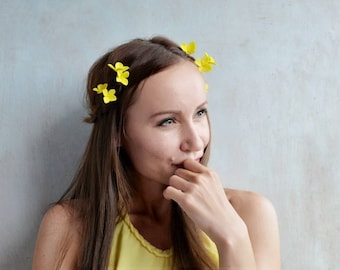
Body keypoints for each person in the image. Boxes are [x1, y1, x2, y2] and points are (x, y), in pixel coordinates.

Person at [32, 36, 281, 270]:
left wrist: (231, 237)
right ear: (118, 133)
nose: (195, 141)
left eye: (200, 113)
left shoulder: (249, 215)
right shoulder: (70, 227)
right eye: (168, 121)